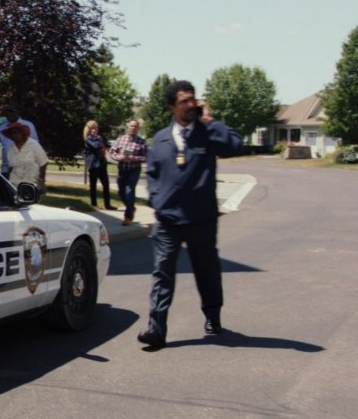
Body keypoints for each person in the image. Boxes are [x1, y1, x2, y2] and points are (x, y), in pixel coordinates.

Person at [136, 80, 244, 348]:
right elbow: (152, 174)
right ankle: (156, 329)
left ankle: (213, 316)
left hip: (201, 219)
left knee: (207, 271)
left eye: (192, 99)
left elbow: (235, 146)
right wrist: (157, 202)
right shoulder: (160, 139)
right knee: (163, 273)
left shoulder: (208, 134)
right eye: (184, 100)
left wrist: (211, 121)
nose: (190, 104)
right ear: (173, 106)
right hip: (168, 221)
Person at [109, 119, 148, 225]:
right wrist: (118, 157)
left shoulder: (141, 141)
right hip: (122, 168)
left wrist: (134, 158)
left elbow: (146, 157)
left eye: (135, 126)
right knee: (121, 192)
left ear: (138, 128)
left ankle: (128, 217)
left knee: (129, 191)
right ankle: (131, 208)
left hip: (134, 169)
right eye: (131, 126)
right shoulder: (120, 139)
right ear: (128, 127)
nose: (133, 128)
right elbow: (112, 152)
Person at [0, 105, 38, 179]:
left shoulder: (28, 125)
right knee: (6, 190)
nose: (8, 114)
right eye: (6, 112)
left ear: (18, 112)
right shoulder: (2, 128)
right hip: (6, 170)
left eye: (11, 111)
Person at [3, 122, 48, 190]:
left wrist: (41, 181)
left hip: (31, 185)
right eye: (11, 133)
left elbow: (43, 163)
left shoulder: (33, 144)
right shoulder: (11, 149)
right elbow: (11, 168)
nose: (13, 135)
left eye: (15, 132)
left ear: (22, 133)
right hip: (14, 185)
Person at [83, 120, 116, 210]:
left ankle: (107, 204)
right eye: (93, 128)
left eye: (96, 127)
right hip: (94, 164)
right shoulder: (88, 138)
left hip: (102, 163)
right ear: (90, 129)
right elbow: (96, 146)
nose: (95, 129)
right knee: (93, 185)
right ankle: (94, 204)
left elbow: (104, 147)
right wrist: (97, 138)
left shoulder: (99, 137)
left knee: (106, 184)